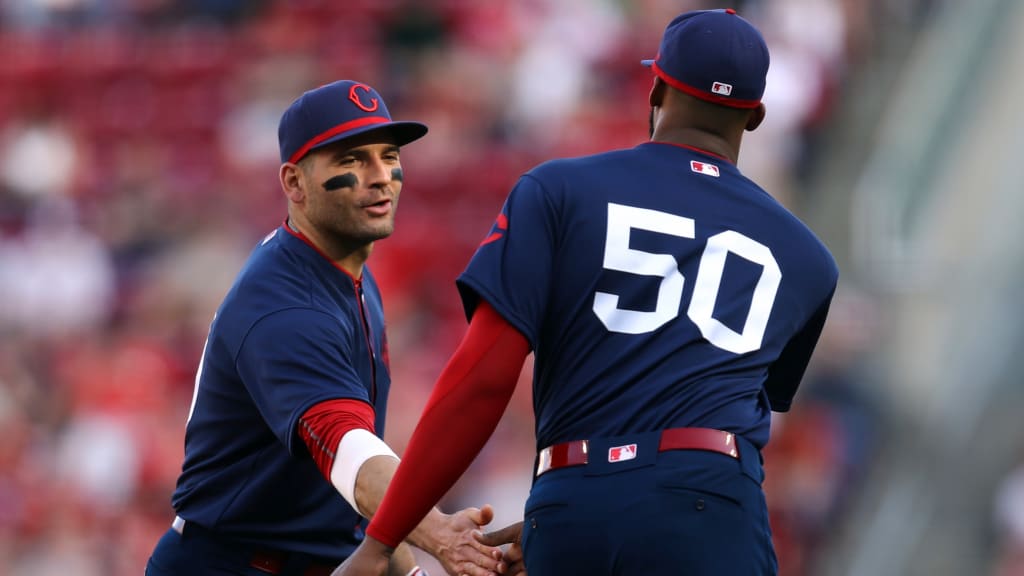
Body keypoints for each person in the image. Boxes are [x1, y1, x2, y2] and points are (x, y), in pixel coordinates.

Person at [334, 8, 839, 576]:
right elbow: (711, 413)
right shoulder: (810, 259)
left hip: (575, 498)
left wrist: (383, 540)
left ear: (658, 87)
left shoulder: (558, 189)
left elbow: (481, 381)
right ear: (756, 116)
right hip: (712, 508)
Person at [145, 79, 510, 576]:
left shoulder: (345, 272)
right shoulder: (285, 305)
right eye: (351, 160)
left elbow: (353, 492)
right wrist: (440, 533)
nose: (381, 176)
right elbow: (351, 457)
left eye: (387, 155)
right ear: (294, 183)